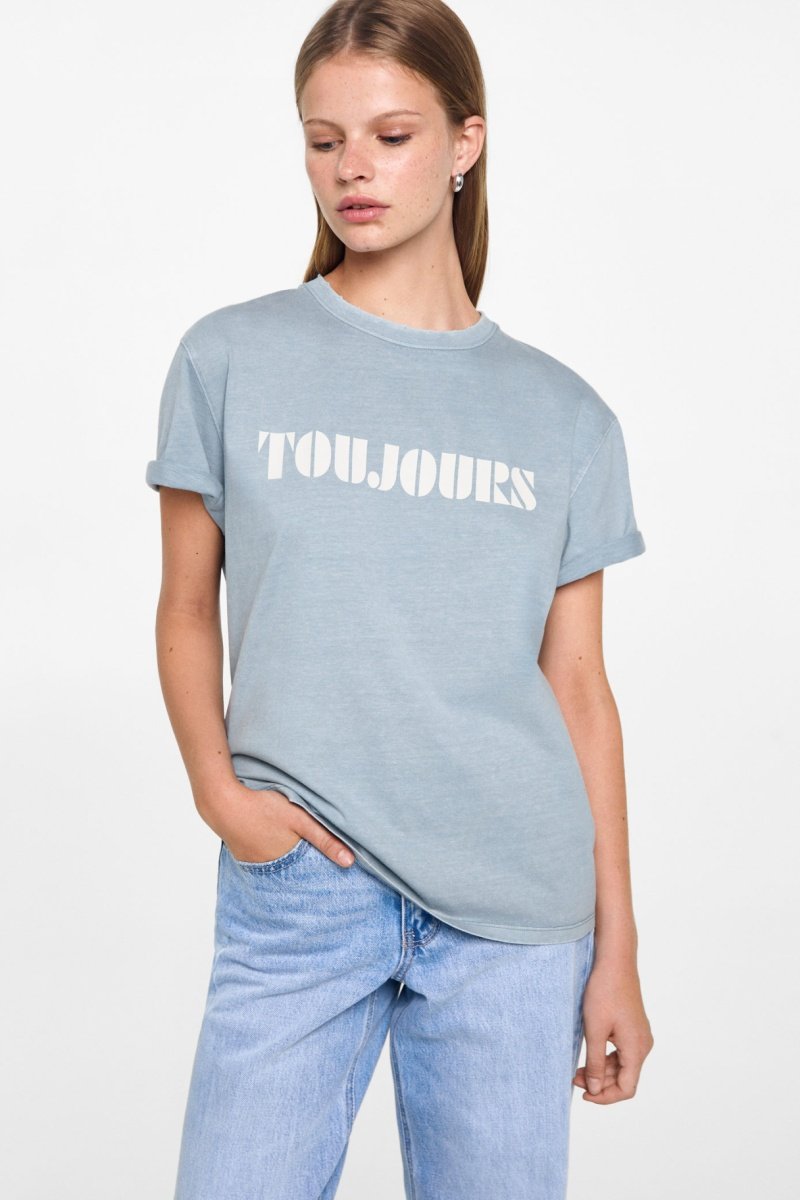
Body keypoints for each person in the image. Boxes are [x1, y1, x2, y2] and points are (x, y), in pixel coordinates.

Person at [145, 1, 654, 1196]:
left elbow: (577, 687)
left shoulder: (563, 416)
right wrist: (221, 795)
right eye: (323, 141)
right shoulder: (230, 358)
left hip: (513, 916)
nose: (351, 170)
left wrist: (615, 948)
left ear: (464, 142)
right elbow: (184, 608)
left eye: (389, 136)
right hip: (300, 886)